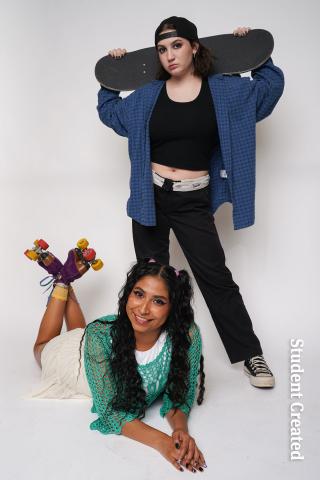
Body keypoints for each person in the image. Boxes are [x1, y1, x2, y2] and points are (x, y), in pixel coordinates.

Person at [97, 16, 285, 388]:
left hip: (193, 199)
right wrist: (111, 77)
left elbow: (268, 89)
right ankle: (145, 358)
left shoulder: (225, 90)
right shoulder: (149, 94)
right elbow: (111, 114)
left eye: (177, 45)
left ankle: (251, 355)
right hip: (150, 198)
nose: (169, 55)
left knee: (215, 277)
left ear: (194, 46)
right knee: (151, 280)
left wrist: (252, 53)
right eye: (162, 49)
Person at [26, 243, 206, 473]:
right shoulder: (100, 335)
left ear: (173, 309)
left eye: (158, 301)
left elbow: (180, 394)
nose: (143, 309)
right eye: (139, 294)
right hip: (76, 367)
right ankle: (62, 280)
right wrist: (163, 442)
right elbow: (111, 412)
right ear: (128, 293)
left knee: (82, 332)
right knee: (42, 347)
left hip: (92, 347)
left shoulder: (187, 335)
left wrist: (180, 431)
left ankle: (66, 276)